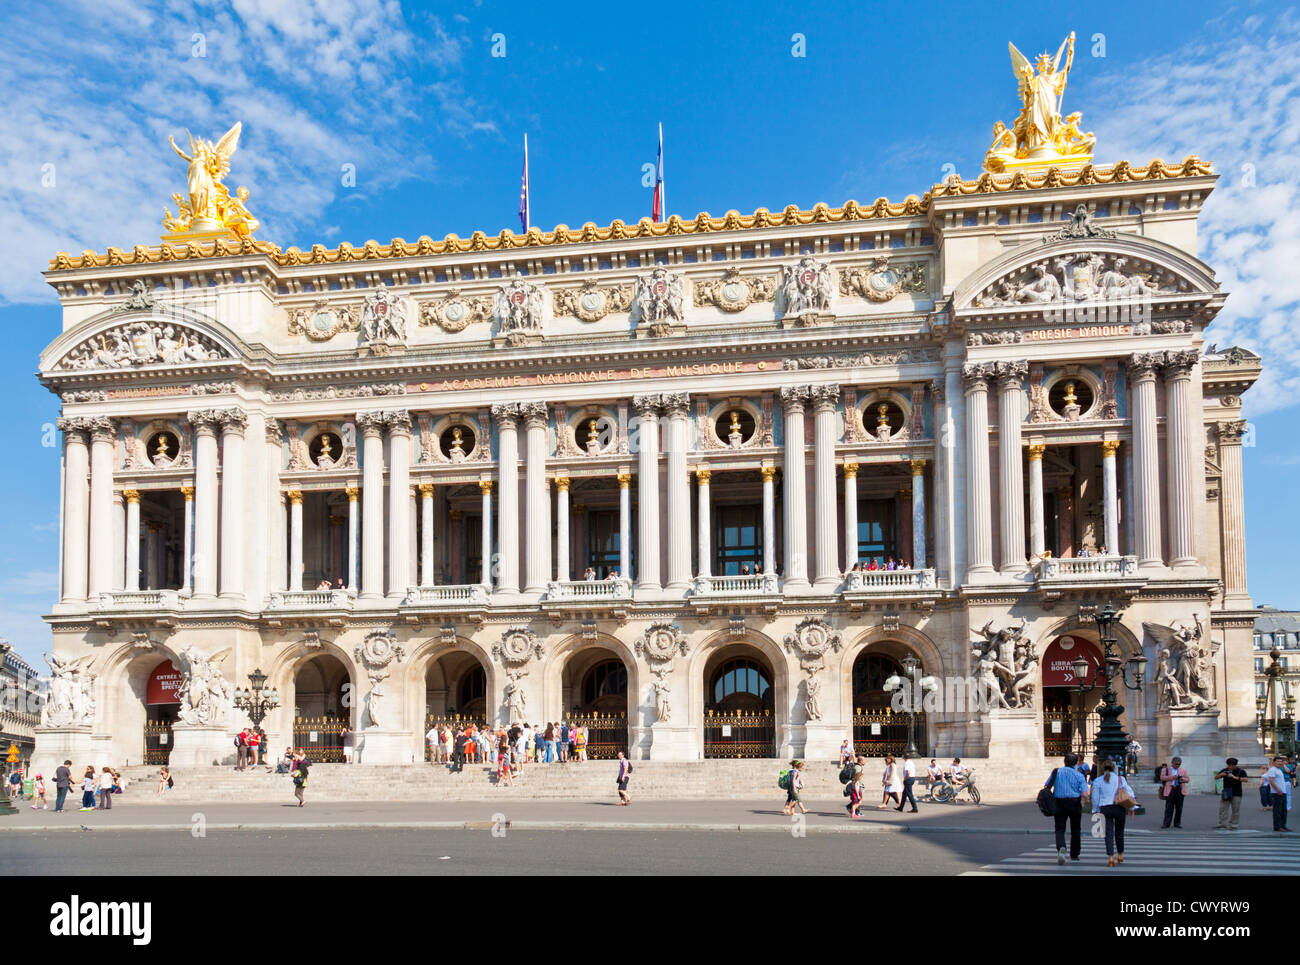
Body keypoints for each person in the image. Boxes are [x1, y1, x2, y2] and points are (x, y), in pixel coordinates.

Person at [1090, 759, 1137, 867]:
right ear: (1114, 768)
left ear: (1102, 768)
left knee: (1108, 833)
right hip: (1119, 807)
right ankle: (1120, 854)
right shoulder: (1120, 779)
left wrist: (1095, 809)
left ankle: (1110, 857)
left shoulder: (1098, 781)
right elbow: (1129, 793)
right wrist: (1132, 808)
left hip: (1105, 808)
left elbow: (1095, 797)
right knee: (1119, 832)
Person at [1045, 752, 1087, 864]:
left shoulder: (1057, 772)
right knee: (1076, 829)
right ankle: (1075, 854)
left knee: (1059, 828)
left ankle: (1061, 848)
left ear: (1064, 761)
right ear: (1076, 763)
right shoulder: (1079, 775)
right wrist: (1085, 802)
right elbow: (1085, 794)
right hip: (1074, 803)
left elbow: (1047, 784)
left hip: (1059, 803)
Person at [1214, 757, 1249, 830]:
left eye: (1230, 765)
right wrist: (1221, 775)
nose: (1229, 767)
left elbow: (1246, 779)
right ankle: (1222, 823)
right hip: (1226, 791)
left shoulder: (1241, 771)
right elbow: (1216, 777)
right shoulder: (1225, 770)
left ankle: (1234, 824)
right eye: (1228, 765)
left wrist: (1234, 777)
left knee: (1235, 809)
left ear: (1234, 765)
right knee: (1223, 808)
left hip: (1237, 792)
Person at [1264, 755, 1293, 832]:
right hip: (1277, 793)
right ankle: (1277, 826)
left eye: (1281, 761)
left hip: (1283, 792)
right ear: (1273, 762)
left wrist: (1283, 765)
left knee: (1284, 811)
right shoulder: (1272, 770)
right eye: (1278, 761)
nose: (1279, 763)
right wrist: (1277, 790)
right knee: (1277, 811)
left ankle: (1283, 826)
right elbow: (1271, 781)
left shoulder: (1279, 770)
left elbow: (1288, 772)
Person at [1160, 757, 1189, 829]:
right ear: (1172, 763)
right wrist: (1172, 777)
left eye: (1179, 764)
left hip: (1179, 789)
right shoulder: (1165, 769)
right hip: (1170, 789)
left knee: (1179, 807)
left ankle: (1177, 823)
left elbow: (1187, 779)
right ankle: (1166, 823)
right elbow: (1162, 778)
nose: (1178, 765)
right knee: (1169, 807)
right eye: (1176, 764)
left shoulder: (1183, 770)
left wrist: (1182, 779)